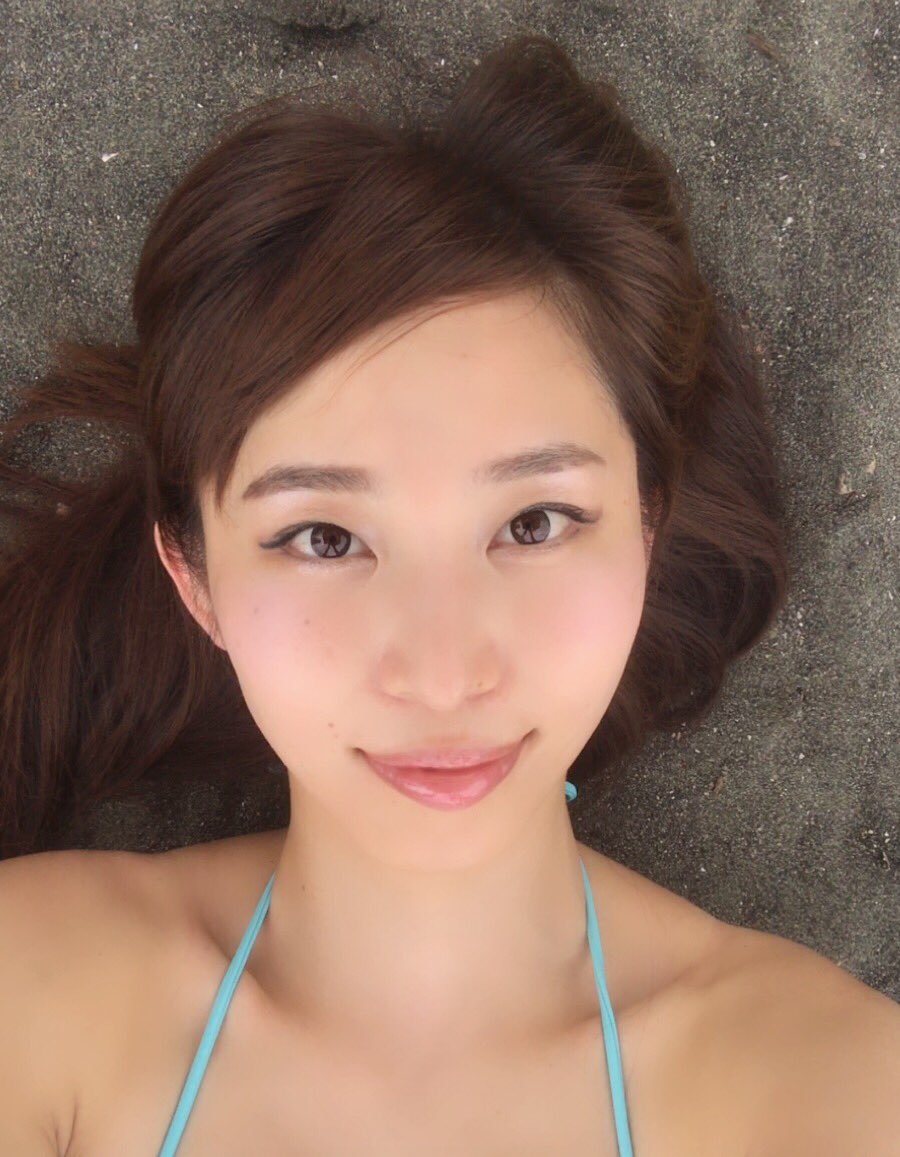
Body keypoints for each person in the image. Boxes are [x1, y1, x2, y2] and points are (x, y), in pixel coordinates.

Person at [0, 32, 897, 1157]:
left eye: (534, 523)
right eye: (324, 537)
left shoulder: (829, 1088)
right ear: (196, 576)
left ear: (649, 521)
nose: (442, 672)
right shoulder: (34, 993)